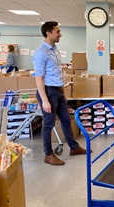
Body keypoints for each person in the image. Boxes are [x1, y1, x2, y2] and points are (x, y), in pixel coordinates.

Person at [32, 21, 86, 166]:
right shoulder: (40, 53)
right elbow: (39, 78)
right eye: (57, 31)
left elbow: (57, 73)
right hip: (48, 92)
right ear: (48, 33)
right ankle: (48, 154)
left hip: (58, 90)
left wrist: (63, 92)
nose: (60, 34)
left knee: (66, 120)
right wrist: (44, 100)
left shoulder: (55, 49)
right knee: (48, 124)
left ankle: (73, 148)